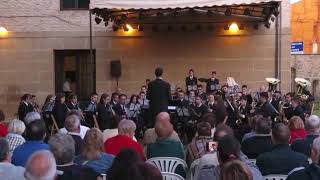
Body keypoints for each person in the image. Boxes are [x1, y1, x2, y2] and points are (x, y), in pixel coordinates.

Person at [196, 135, 262, 180]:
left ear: (218, 157)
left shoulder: (205, 175)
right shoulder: (254, 172)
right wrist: (233, 147)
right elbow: (246, 161)